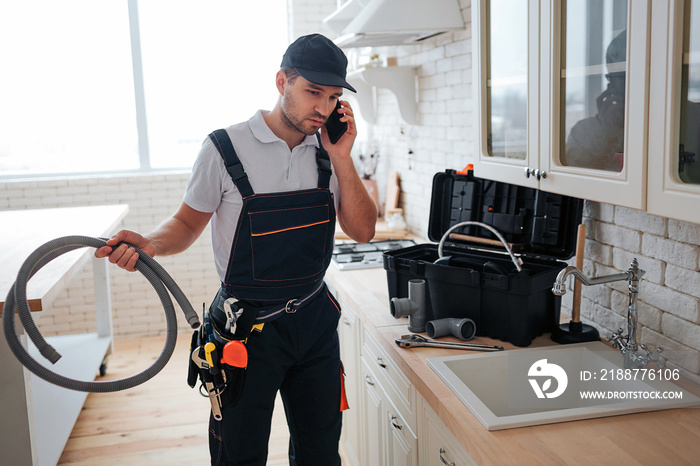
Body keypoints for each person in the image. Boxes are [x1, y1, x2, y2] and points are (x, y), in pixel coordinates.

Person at [95, 33, 377, 466]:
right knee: (239, 454)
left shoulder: (329, 150)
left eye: (333, 96)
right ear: (282, 81)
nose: (323, 108)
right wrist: (151, 243)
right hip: (245, 332)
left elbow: (362, 231)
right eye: (313, 92)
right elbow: (188, 223)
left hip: (314, 324)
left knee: (321, 452)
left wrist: (342, 157)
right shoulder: (224, 149)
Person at [563, 30, 627, 172]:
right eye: (622, 78)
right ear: (610, 84)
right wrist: (609, 137)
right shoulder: (583, 133)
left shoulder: (682, 120)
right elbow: (577, 185)